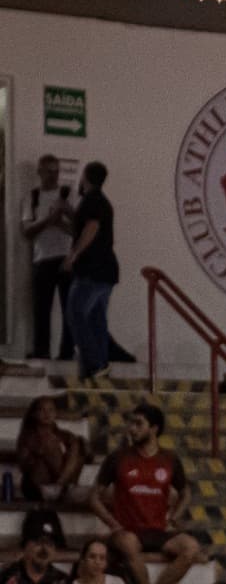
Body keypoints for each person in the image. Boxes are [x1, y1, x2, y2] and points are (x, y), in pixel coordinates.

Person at [91, 403, 202, 584]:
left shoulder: (170, 458)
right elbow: (93, 496)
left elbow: (186, 492)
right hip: (127, 531)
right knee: (128, 544)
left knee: (191, 547)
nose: (132, 429)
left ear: (154, 429)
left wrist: (174, 518)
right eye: (131, 423)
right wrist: (112, 524)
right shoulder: (118, 457)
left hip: (158, 531)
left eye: (138, 424)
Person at [62, 161, 118, 380]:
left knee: (76, 313)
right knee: (96, 318)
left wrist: (73, 254)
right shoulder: (101, 202)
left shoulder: (92, 200)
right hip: (106, 270)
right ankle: (100, 364)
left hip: (92, 270)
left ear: (85, 177)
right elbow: (85, 227)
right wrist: (67, 215)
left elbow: (91, 228)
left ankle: (94, 363)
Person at [23, 154, 77, 362]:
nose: (53, 176)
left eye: (56, 171)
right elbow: (27, 230)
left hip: (66, 258)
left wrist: (60, 221)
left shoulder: (68, 194)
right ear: (40, 172)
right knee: (41, 309)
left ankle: (67, 352)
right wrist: (48, 220)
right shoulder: (32, 197)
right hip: (42, 258)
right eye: (49, 171)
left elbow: (79, 229)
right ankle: (41, 350)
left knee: (69, 309)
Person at [16, 396, 86, 503]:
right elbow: (25, 466)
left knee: (78, 444)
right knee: (50, 442)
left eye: (51, 410)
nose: (47, 414)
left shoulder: (63, 435)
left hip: (59, 483)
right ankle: (62, 487)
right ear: (34, 414)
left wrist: (62, 479)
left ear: (56, 413)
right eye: (42, 410)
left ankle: (62, 486)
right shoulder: (29, 436)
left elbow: (76, 453)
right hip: (37, 487)